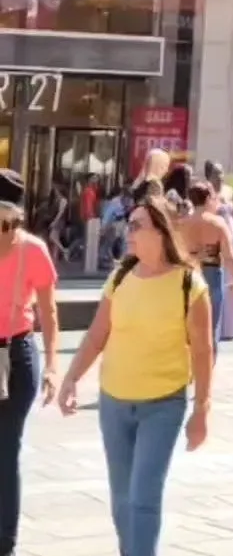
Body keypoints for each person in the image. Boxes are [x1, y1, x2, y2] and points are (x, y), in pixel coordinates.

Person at [57, 191, 214, 556]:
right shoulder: (121, 276)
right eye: (128, 224)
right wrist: (70, 379)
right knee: (121, 501)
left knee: (143, 497)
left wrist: (202, 409)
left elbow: (204, 352)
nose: (128, 231)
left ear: (160, 231)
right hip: (114, 402)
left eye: (136, 225)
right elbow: (97, 334)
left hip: (163, 404)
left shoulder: (189, 285)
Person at [0, 169, 59, 556]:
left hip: (16, 356)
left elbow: (50, 313)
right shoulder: (31, 247)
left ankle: (5, 544)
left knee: (6, 451)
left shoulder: (33, 250)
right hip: (15, 353)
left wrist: (54, 366)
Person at [176, 181, 233, 355]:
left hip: (188, 274)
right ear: (208, 199)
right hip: (212, 273)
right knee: (211, 326)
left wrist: (195, 256)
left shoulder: (182, 225)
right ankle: (207, 370)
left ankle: (188, 367)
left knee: (188, 323)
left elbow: (176, 257)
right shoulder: (218, 223)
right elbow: (229, 255)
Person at [205, 162, 233, 342]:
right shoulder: (205, 193)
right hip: (217, 240)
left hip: (232, 238)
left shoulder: (229, 191)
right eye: (216, 173)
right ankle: (218, 327)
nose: (220, 177)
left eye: (222, 173)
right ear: (209, 176)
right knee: (220, 281)